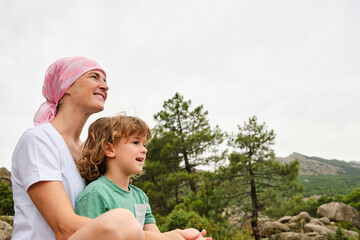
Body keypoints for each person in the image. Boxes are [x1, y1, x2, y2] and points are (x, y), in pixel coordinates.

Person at [11, 56, 209, 240]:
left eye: (105, 80)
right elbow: (64, 227)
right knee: (122, 219)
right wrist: (163, 238)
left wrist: (179, 236)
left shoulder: (85, 154)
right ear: (67, 86)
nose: (105, 86)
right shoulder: (38, 140)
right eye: (94, 77)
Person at [75, 115, 211, 240]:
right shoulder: (95, 194)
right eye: (135, 142)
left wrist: (185, 236)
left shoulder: (141, 197)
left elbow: (157, 237)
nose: (144, 149)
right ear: (110, 149)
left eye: (144, 144)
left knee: (192, 232)